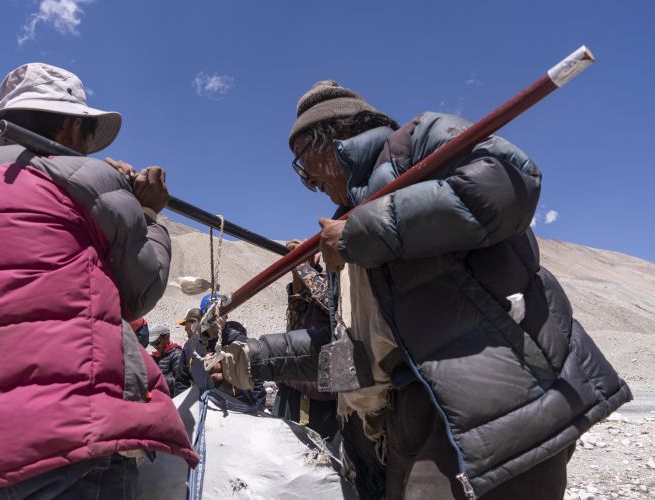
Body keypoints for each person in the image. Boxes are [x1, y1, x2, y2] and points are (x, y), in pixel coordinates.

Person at [211, 80, 631, 499]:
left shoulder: (418, 142)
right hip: (404, 424)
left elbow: (508, 182)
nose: (309, 184)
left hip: (494, 412)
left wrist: (362, 232)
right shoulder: (347, 229)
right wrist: (252, 359)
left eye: (304, 163)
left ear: (333, 137)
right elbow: (350, 353)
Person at [0, 63, 197, 500]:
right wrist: (149, 212)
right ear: (69, 127)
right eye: (85, 132)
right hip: (66, 437)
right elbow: (139, 293)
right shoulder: (90, 178)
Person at [273, 240, 338, 441]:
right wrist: (299, 269)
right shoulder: (320, 282)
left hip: (322, 405)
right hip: (290, 393)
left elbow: (331, 302)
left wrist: (302, 265)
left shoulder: (347, 288)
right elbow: (298, 306)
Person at [149, 324, 190, 397]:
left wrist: (157, 379)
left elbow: (180, 381)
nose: (155, 346)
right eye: (152, 344)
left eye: (157, 343)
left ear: (167, 337)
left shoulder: (177, 354)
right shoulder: (157, 356)